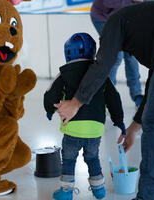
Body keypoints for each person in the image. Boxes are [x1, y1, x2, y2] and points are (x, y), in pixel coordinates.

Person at [54, 2, 154, 200]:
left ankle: (148, 196)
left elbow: (102, 65)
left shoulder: (114, 23)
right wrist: (134, 127)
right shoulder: (144, 23)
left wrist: (75, 103)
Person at [44, 32, 126, 200]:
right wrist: (119, 121)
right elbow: (114, 98)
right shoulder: (100, 75)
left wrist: (49, 110)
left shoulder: (65, 73)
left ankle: (66, 192)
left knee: (68, 159)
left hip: (72, 127)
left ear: (68, 53)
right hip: (95, 129)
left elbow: (51, 94)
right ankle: (99, 190)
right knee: (92, 157)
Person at [90, 0, 144, 107]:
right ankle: (108, 96)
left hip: (126, 18)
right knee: (115, 55)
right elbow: (108, 3)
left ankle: (137, 94)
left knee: (131, 55)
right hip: (103, 18)